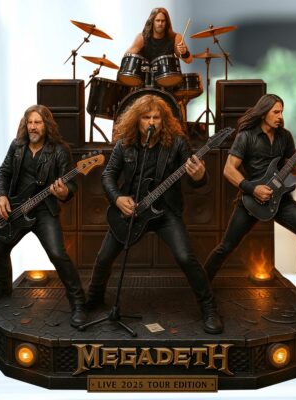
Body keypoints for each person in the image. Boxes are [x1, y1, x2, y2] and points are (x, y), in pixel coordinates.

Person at [86, 94, 222, 334]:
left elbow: (197, 182)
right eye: (146, 117)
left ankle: (209, 308)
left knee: (185, 257)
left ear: (163, 120)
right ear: (136, 121)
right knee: (104, 257)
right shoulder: (124, 144)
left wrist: (199, 175)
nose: (151, 122)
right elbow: (108, 175)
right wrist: (118, 199)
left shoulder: (177, 143)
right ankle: (94, 299)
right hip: (132, 211)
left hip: (165, 212)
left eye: (156, 118)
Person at [204, 94, 296, 310]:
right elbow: (228, 169)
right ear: (264, 113)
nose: (280, 116)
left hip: (279, 198)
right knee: (226, 246)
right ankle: (201, 284)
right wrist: (252, 188)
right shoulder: (246, 136)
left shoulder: (285, 137)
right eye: (276, 112)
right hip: (251, 200)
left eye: (282, 112)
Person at [0, 105, 87, 327]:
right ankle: (3, 287)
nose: (33, 126)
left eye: (37, 122)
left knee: (58, 254)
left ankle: (78, 303)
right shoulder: (17, 146)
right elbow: (4, 172)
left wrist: (63, 192)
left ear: (46, 125)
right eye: (29, 122)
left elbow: (71, 186)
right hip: (17, 209)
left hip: (44, 210)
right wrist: (1, 196)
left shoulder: (59, 150)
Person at [126, 7, 193, 64]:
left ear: (167, 22)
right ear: (152, 21)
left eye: (163, 21)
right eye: (157, 20)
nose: (160, 23)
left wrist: (184, 53)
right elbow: (127, 56)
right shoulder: (142, 37)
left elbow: (189, 60)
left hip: (168, 74)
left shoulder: (175, 37)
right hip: (146, 74)